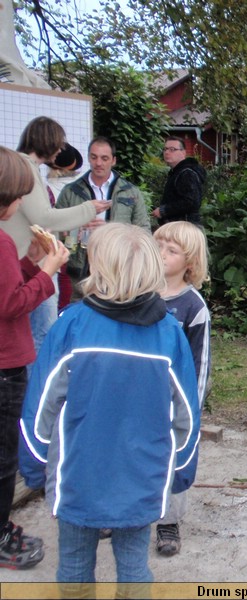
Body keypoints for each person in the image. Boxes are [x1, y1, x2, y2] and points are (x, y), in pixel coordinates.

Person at [18, 223, 200, 597]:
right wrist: (180, 470)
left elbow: (40, 407)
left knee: (73, 567)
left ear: (98, 269)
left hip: (77, 478)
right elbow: (187, 414)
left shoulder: (71, 325)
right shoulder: (168, 334)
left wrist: (35, 465)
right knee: (134, 569)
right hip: (143, 479)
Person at [0, 147, 70, 570]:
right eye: (21, 195)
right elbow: (11, 305)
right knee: (4, 455)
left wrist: (29, 265)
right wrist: (48, 271)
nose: (24, 203)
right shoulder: (1, 240)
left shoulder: (9, 247)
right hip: (6, 367)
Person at [2, 116, 111, 352]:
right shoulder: (25, 169)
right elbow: (44, 217)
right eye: (59, 143)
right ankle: (36, 386)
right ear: (48, 141)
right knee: (42, 335)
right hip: (29, 265)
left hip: (26, 264)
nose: (61, 149)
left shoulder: (25, 167)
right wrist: (89, 208)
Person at [152, 221, 211, 557]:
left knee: (173, 459)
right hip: (140, 398)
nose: (161, 254)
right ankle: (122, 511)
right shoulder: (138, 294)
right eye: (158, 245)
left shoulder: (193, 307)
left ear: (189, 262)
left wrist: (192, 406)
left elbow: (200, 363)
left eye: (171, 250)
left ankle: (169, 521)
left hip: (175, 402)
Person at [56, 136, 150, 286]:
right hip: (80, 273)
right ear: (88, 157)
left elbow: (144, 232)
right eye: (94, 157)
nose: (98, 163)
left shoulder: (131, 192)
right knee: (80, 309)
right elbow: (55, 231)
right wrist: (76, 229)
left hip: (118, 268)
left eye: (104, 158)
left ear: (113, 160)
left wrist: (109, 230)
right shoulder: (70, 191)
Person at [46, 144, 83, 311]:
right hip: (71, 243)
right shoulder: (76, 186)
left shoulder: (45, 186)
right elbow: (74, 224)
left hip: (47, 247)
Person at [152, 136, 206, 226]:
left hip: (184, 229)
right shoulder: (177, 172)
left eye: (172, 149)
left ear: (183, 152)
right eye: (165, 149)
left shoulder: (187, 173)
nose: (167, 152)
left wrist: (163, 210)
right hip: (180, 226)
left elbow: (191, 202)